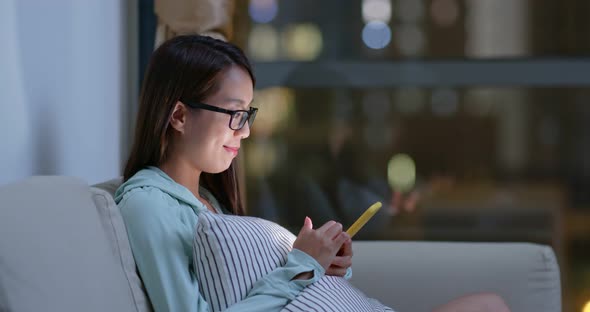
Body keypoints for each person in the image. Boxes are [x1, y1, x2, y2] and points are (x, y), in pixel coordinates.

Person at [115, 34, 511, 312]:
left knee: (487, 305)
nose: (247, 131)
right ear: (180, 115)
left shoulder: (209, 202)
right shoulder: (148, 205)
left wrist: (323, 267)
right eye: (236, 114)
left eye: (249, 114)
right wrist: (302, 268)